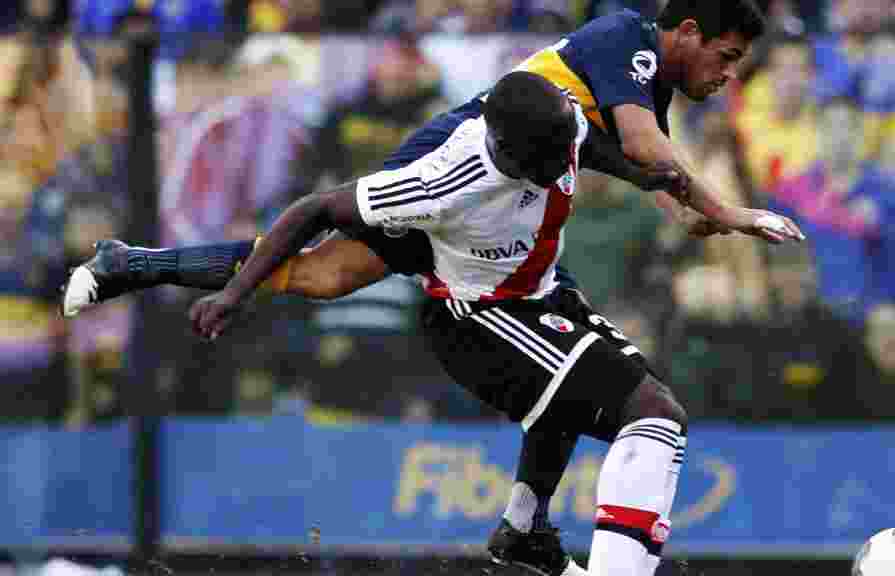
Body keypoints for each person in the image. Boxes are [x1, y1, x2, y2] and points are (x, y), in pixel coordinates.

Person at [64, 0, 790, 573]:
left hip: (517, 234)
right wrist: (724, 209)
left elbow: (627, 155)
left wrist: (687, 207)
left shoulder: (599, 104)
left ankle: (524, 529)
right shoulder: (605, 60)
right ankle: (137, 265)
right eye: (727, 57)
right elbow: (314, 208)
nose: (729, 74)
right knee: (321, 269)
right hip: (473, 222)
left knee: (325, 277)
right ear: (687, 31)